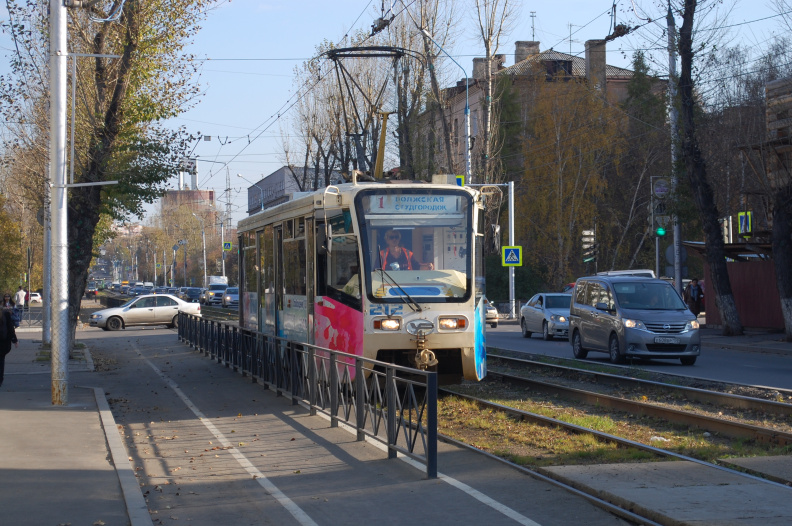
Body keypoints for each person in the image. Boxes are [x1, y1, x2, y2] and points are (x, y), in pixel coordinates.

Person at [0, 307, 19, 388]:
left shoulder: (5, 313)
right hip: (3, 342)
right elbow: (10, 328)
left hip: (3, 342)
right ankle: (0, 379)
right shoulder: (5, 313)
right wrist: (14, 340)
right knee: (1, 361)